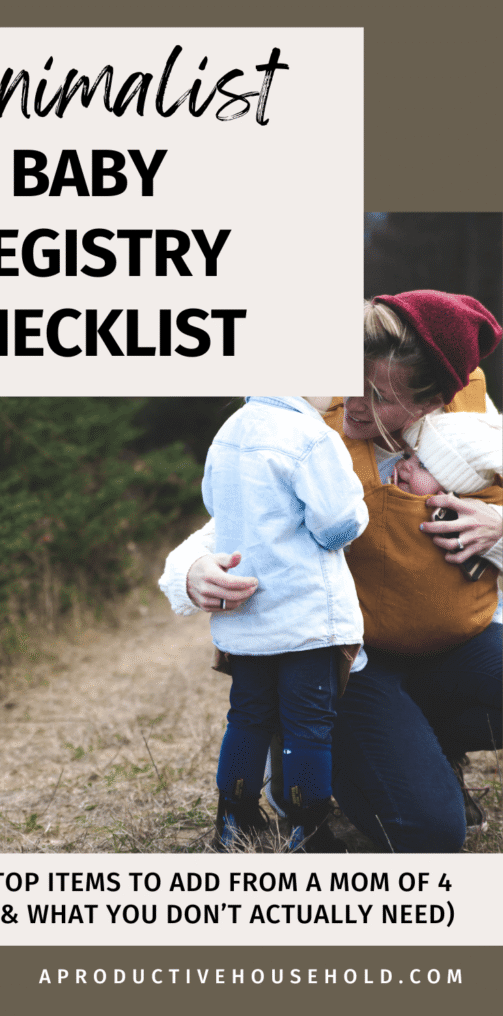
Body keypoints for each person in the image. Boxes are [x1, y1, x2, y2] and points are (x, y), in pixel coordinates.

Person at [159, 290, 503, 852]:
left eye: (380, 396)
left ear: (435, 399)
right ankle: (297, 741)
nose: (353, 401)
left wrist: (497, 526)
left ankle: (427, 736)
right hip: (348, 661)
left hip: (455, 644)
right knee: (431, 834)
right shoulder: (309, 427)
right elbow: (234, 520)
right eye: (351, 381)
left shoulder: (474, 428)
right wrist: (191, 569)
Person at [203, 395, 368, 852]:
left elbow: (213, 503)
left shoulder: (229, 430)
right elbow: (337, 527)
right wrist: (360, 511)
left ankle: (233, 821)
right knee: (307, 725)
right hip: (304, 616)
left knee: (248, 717)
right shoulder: (310, 436)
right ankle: (309, 829)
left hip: (248, 615)